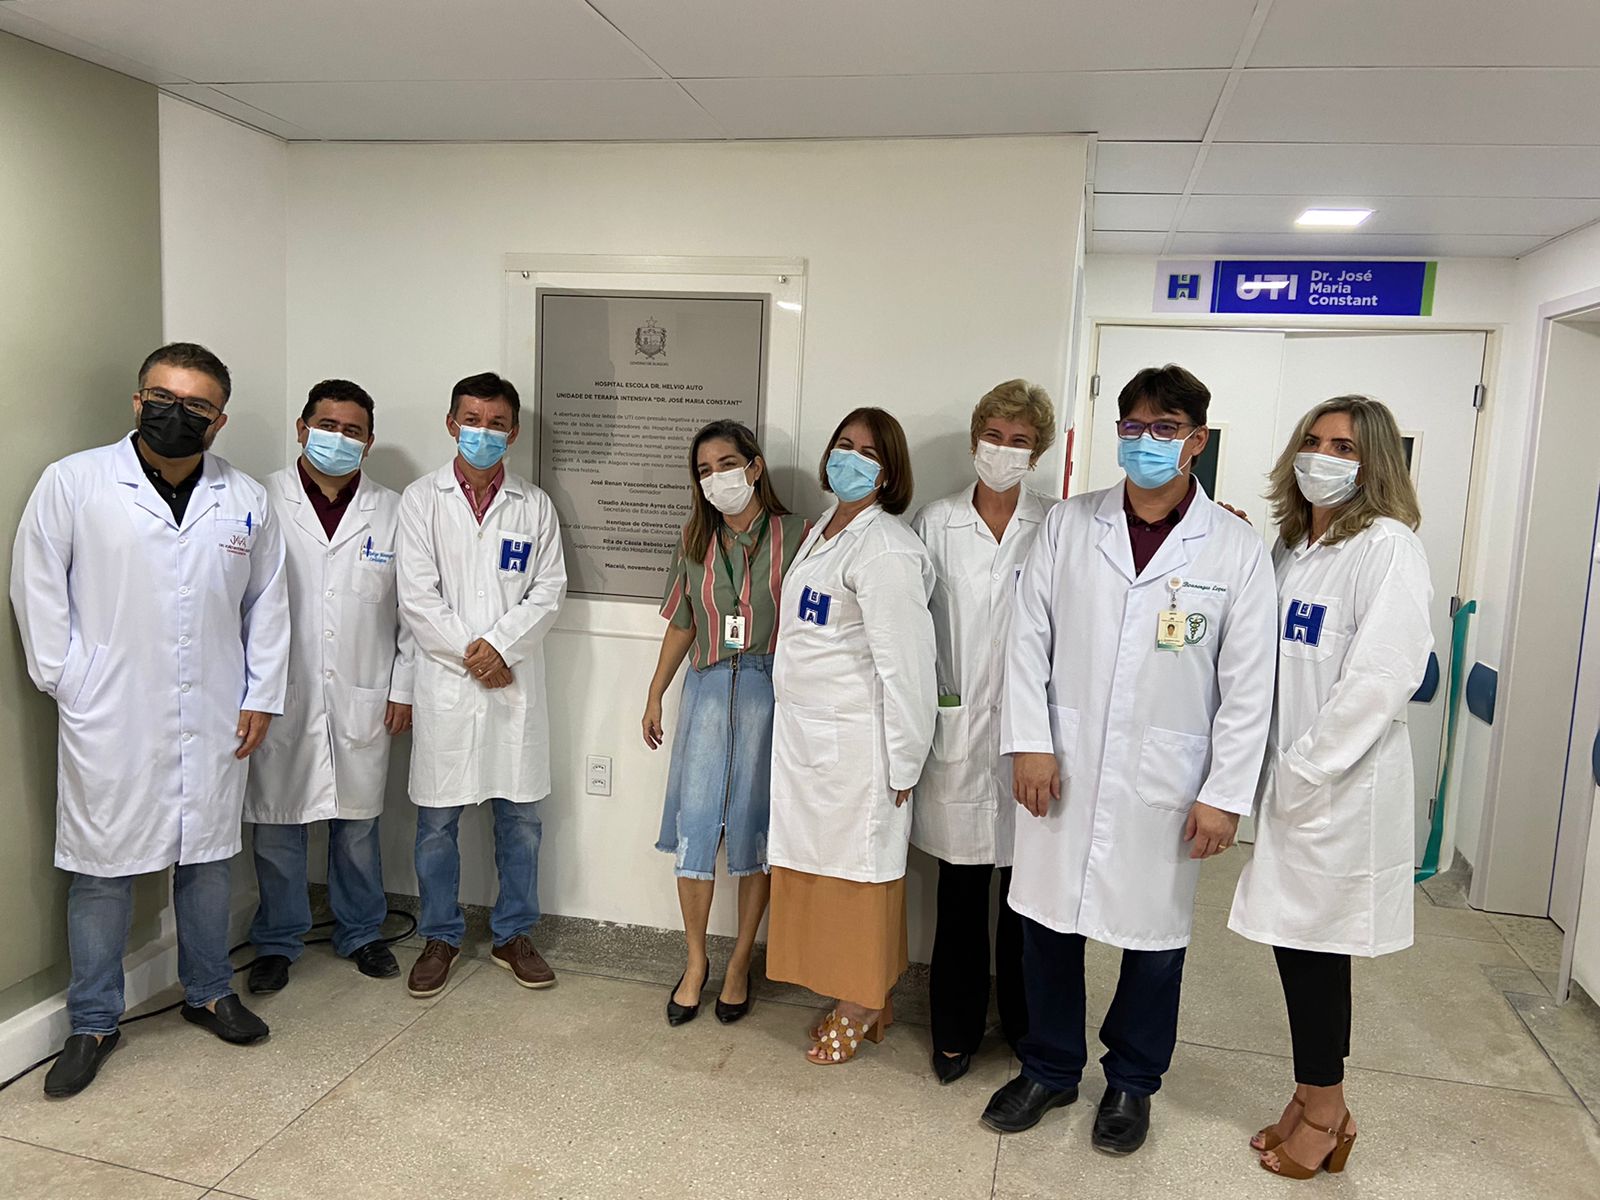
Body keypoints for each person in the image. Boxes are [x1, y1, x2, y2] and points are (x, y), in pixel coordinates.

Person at [981, 364, 1276, 1153]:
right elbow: (1027, 640)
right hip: (1063, 763)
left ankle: (1132, 1083)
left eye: (1166, 429)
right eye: (1135, 427)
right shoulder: (1069, 525)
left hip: (1167, 778)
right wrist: (1031, 742)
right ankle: (1049, 1067)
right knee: (1046, 923)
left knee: (1154, 940)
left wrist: (1225, 793)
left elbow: (1250, 686)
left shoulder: (1236, 549)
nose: (1147, 442)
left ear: (1196, 441)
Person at [10, 342, 290, 1098]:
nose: (176, 413)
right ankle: (93, 1021)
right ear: (138, 401)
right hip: (110, 707)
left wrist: (260, 693)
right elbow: (37, 586)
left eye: (196, 405)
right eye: (162, 397)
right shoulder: (74, 482)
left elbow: (268, 603)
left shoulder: (244, 498)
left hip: (216, 705)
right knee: (101, 869)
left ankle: (208, 991)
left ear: (219, 420)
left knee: (206, 860)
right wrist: (68, 678)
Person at [1229, 396, 1432, 1180]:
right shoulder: (1292, 546)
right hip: (1293, 779)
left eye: (1344, 447)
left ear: (1374, 462)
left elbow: (1383, 677)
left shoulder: (1387, 548)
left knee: (1314, 948)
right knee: (1300, 943)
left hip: (1339, 786)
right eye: (1313, 441)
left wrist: (1307, 769)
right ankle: (1314, 1094)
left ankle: (1327, 1111)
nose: (1323, 457)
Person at [766, 407, 937, 1065]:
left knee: (862, 876)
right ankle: (857, 992)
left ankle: (864, 1002)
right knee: (824, 872)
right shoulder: (824, 531)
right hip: (812, 743)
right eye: (844, 444)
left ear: (888, 472)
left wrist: (905, 761)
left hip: (862, 750)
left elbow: (908, 669)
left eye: (869, 452)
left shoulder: (886, 548)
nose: (852, 459)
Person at [397, 372, 566, 999]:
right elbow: (417, 597)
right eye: (472, 420)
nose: (483, 432)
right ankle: (439, 935)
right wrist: (476, 655)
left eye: (497, 424)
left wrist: (500, 647)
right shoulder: (421, 500)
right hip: (447, 685)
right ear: (451, 424)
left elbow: (549, 591)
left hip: (510, 685)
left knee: (520, 822)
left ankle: (513, 934)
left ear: (513, 432)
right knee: (435, 827)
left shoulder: (534, 505)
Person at [242, 380, 415, 993]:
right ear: (302, 428)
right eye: (327, 426)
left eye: (352, 430)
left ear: (369, 441)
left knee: (358, 826)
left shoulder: (393, 511)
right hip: (279, 693)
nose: (338, 439)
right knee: (277, 826)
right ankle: (277, 941)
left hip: (363, 692)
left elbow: (411, 611)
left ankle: (362, 931)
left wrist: (403, 687)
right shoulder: (261, 499)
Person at [911, 379, 1056, 1084]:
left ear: (1038, 453)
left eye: (1019, 440)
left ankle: (1029, 1029)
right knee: (961, 896)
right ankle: (955, 1029)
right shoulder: (935, 522)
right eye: (994, 436)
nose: (1003, 450)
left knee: (1028, 903)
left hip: (1032, 737)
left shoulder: (1057, 524)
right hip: (956, 731)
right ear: (975, 441)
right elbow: (913, 627)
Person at [642, 421, 810, 1026]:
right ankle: (695, 962)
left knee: (754, 831)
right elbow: (683, 622)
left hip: (772, 692)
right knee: (695, 829)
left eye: (727, 464)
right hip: (709, 690)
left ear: (755, 467)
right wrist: (655, 693)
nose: (716, 478)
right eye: (704, 471)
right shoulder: (694, 538)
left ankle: (740, 963)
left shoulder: (801, 536)